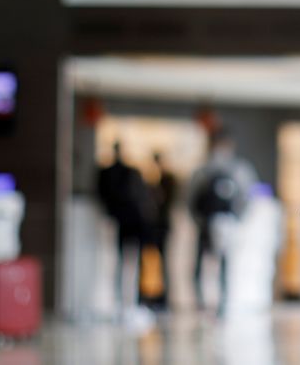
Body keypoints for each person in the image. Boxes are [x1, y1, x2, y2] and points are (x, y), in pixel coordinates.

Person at [186, 127, 257, 314]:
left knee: (217, 265)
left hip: (216, 224)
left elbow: (190, 199)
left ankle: (213, 303)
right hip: (216, 224)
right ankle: (211, 303)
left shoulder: (207, 170)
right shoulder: (232, 169)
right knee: (211, 265)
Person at [97, 141, 156, 323]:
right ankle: (126, 301)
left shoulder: (117, 173)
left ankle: (126, 301)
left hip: (127, 223)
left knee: (127, 262)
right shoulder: (124, 173)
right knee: (127, 262)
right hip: (130, 222)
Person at [141, 150, 178, 311]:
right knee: (147, 260)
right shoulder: (150, 181)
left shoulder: (168, 180)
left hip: (162, 225)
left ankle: (163, 297)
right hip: (149, 225)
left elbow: (169, 202)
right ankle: (147, 294)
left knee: (163, 261)